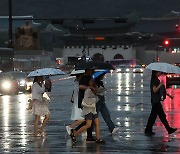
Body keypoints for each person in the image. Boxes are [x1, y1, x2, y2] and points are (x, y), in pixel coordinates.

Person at [70, 78, 105, 143]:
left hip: (93, 109)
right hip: (88, 110)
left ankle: (98, 138)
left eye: (93, 81)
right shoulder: (88, 90)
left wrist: (95, 91)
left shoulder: (93, 90)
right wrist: (94, 99)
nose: (92, 82)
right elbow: (86, 100)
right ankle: (75, 134)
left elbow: (96, 98)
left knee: (97, 123)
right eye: (91, 81)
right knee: (88, 125)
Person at [144, 70, 177, 136]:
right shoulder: (154, 80)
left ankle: (148, 130)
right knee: (162, 116)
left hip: (155, 100)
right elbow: (155, 90)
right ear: (155, 73)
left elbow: (161, 91)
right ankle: (169, 129)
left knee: (152, 117)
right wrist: (160, 84)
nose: (160, 73)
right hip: (156, 101)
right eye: (159, 72)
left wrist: (169, 95)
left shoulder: (156, 79)